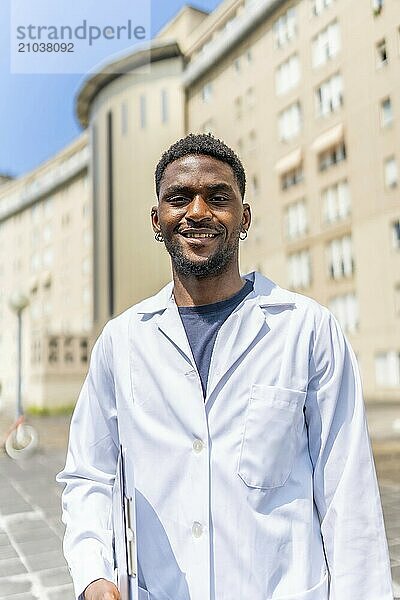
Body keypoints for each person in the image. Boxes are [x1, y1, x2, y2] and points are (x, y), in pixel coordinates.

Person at [57, 133, 393, 600]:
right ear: (158, 221)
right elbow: (89, 475)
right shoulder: (121, 342)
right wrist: (94, 574)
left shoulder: (307, 330)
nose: (197, 212)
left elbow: (348, 493)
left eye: (218, 197)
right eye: (179, 199)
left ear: (244, 217)